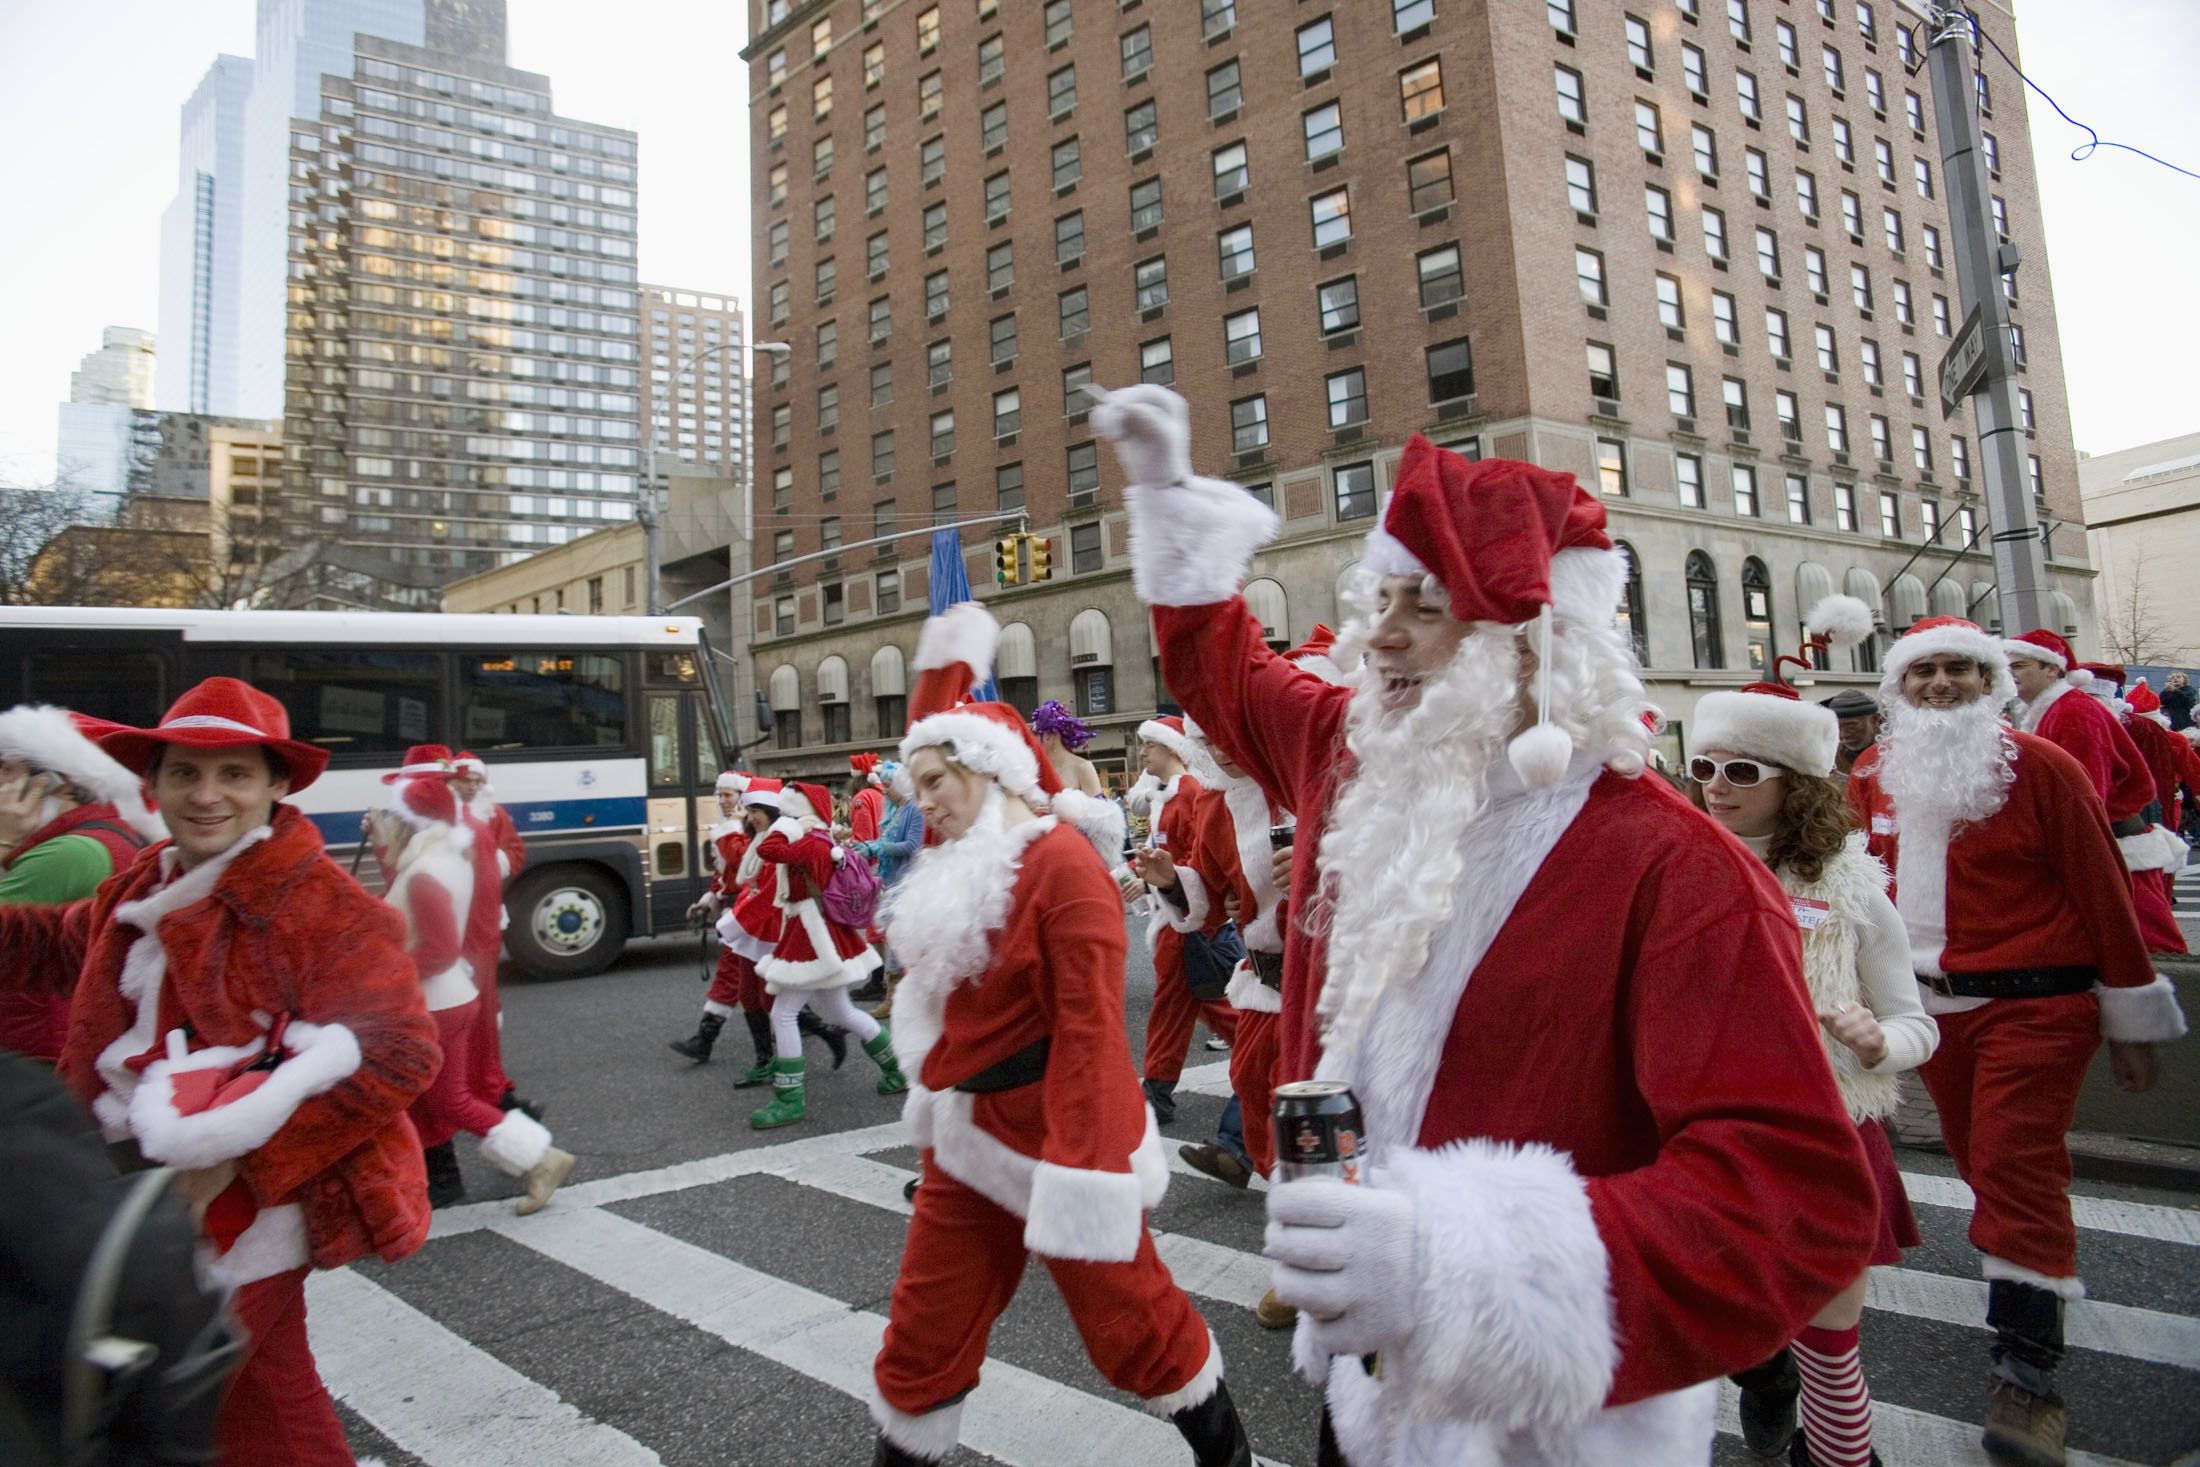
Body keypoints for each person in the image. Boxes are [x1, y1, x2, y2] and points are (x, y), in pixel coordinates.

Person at [1096, 385, 1875, 1466]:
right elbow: (1227, 679)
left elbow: (1789, 1195)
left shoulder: (1677, 870)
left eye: (1426, 605)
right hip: (1365, 1384)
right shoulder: (1348, 752)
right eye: (1378, 601)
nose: (1381, 636)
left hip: (1558, 1412)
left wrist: (1453, 1265)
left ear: (1533, 642)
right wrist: (1170, 505)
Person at [0, 676, 442, 1467]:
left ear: (276, 785)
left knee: (167, 1398)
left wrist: (237, 1158)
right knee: (261, 1403)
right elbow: (54, 945)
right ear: (155, 785)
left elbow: (401, 1051)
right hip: (142, 1188)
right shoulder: (146, 880)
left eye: (234, 774)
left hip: (242, 1212)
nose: (207, 795)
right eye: (185, 774)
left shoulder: (317, 901)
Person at [868, 601, 1250, 1467]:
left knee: (1133, 1321)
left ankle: (1224, 1450)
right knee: (923, 1329)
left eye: (938, 782)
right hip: (966, 1136)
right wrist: (948, 656)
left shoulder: (1062, 865)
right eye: (916, 783)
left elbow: (1088, 1033)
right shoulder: (960, 844)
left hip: (1063, 1136)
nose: (925, 801)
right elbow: (934, 733)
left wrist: (1084, 1177)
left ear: (994, 772)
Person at [1848, 618, 2185, 1466]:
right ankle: (2028, 1275)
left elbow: (2104, 890)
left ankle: (2027, 1377)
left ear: (1991, 679)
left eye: (1960, 667)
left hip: (2036, 1007)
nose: (1939, 684)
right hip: (1930, 1015)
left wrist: (2130, 1013)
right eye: (1923, 670)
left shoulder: (2044, 769)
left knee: (2012, 1166)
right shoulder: (1872, 775)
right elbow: (1853, 892)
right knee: (1979, 1163)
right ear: (1898, 685)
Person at [1686, 666, 1940, 1467]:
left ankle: (1839, 1457)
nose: (1716, 787)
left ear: (1794, 784)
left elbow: (1912, 1023)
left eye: (1740, 771)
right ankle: (1765, 1376)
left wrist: (1877, 1044)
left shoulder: (1852, 888)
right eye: (1702, 767)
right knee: (1735, 1323)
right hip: (1703, 1138)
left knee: (1833, 1345)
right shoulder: (1670, 870)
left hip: (1826, 1132)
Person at [371, 765, 575, 1214]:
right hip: (450, 997)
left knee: (449, 1101)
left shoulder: (423, 871)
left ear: (409, 822)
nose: (383, 825)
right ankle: (437, 1180)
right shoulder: (448, 858)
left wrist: (382, 976)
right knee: (438, 1100)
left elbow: (439, 950)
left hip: (435, 1001)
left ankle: (541, 1159)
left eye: (390, 818)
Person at [0, 706, 164, 1061]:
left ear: (59, 782)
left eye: (7, 770)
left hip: (31, 1051)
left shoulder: (69, 853)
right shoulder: (106, 833)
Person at [749, 781, 906, 1127]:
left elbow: (769, 850)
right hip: (819, 931)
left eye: (788, 810)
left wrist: (785, 825)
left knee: (784, 1014)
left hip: (812, 934)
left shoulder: (807, 842)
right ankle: (897, 1069)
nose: (782, 816)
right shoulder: (820, 839)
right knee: (842, 1011)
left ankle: (789, 1099)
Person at [1122, 716, 1235, 1125]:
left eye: (1149, 745)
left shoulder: (1187, 791)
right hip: (1177, 916)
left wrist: (1167, 885)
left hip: (1186, 920)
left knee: (1181, 1006)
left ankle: (1157, 1091)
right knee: (1205, 1004)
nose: (1143, 753)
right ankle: (1271, 1058)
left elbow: (1200, 859)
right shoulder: (1166, 795)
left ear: (1170, 748)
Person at [2074, 661, 2193, 955]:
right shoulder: (2073, 720)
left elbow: (2158, 781)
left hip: (2132, 826)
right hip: (2093, 830)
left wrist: (2162, 822)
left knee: (2147, 911)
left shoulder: (2141, 728)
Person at [448, 750, 536, 1120]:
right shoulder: (444, 820)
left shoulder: (494, 816)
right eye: (464, 782)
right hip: (454, 926)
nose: (470, 789)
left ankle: (480, 1083)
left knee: (482, 1009)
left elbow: (514, 852)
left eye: (475, 783)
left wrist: (490, 863)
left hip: (482, 922)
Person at [1033, 699, 1107, 796]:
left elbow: (1099, 809)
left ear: (1050, 736)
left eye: (1036, 734)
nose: (1033, 739)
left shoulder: (1083, 767)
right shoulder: (1034, 770)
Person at [1821, 688, 1882, 777]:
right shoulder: (1831, 758)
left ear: (1875, 720)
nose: (1843, 735)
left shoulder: (1896, 754)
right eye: (1837, 728)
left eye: (1851, 726)